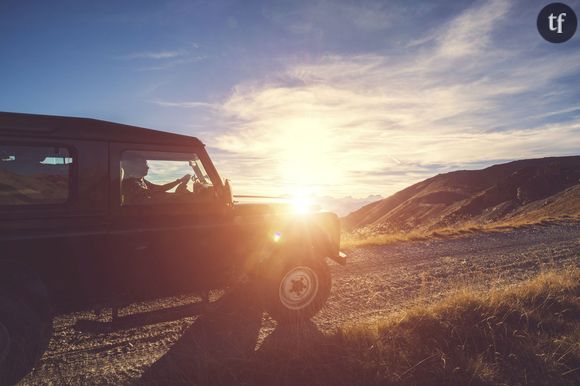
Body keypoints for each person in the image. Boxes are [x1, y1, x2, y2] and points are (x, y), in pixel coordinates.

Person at [121, 153, 191, 204]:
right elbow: (155, 191)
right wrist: (179, 182)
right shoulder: (129, 183)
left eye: (146, 164)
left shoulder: (142, 181)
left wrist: (177, 191)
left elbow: (159, 188)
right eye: (142, 164)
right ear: (134, 166)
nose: (147, 167)